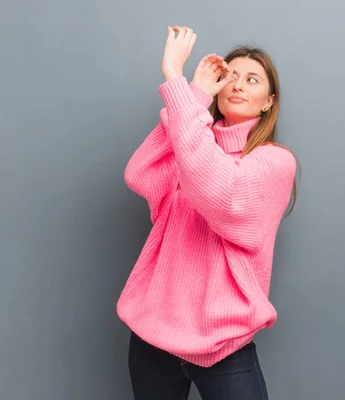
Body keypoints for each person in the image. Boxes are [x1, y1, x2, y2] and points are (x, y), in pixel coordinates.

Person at [116, 25, 297, 400]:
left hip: (224, 347)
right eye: (230, 76)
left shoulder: (274, 161)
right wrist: (194, 96)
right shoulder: (193, 142)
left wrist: (174, 80)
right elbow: (141, 174)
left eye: (252, 79)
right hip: (153, 340)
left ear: (268, 101)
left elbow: (221, 194)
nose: (238, 84)